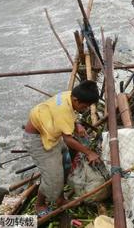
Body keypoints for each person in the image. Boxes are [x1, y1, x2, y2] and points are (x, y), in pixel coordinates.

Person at [23, 80, 101, 216]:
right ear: (76, 100)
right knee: (53, 177)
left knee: (65, 161)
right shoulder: (63, 110)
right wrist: (89, 152)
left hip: (50, 133)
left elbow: (70, 115)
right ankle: (40, 205)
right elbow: (68, 139)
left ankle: (59, 198)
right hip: (38, 140)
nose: (86, 109)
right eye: (84, 107)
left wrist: (76, 124)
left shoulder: (68, 96)